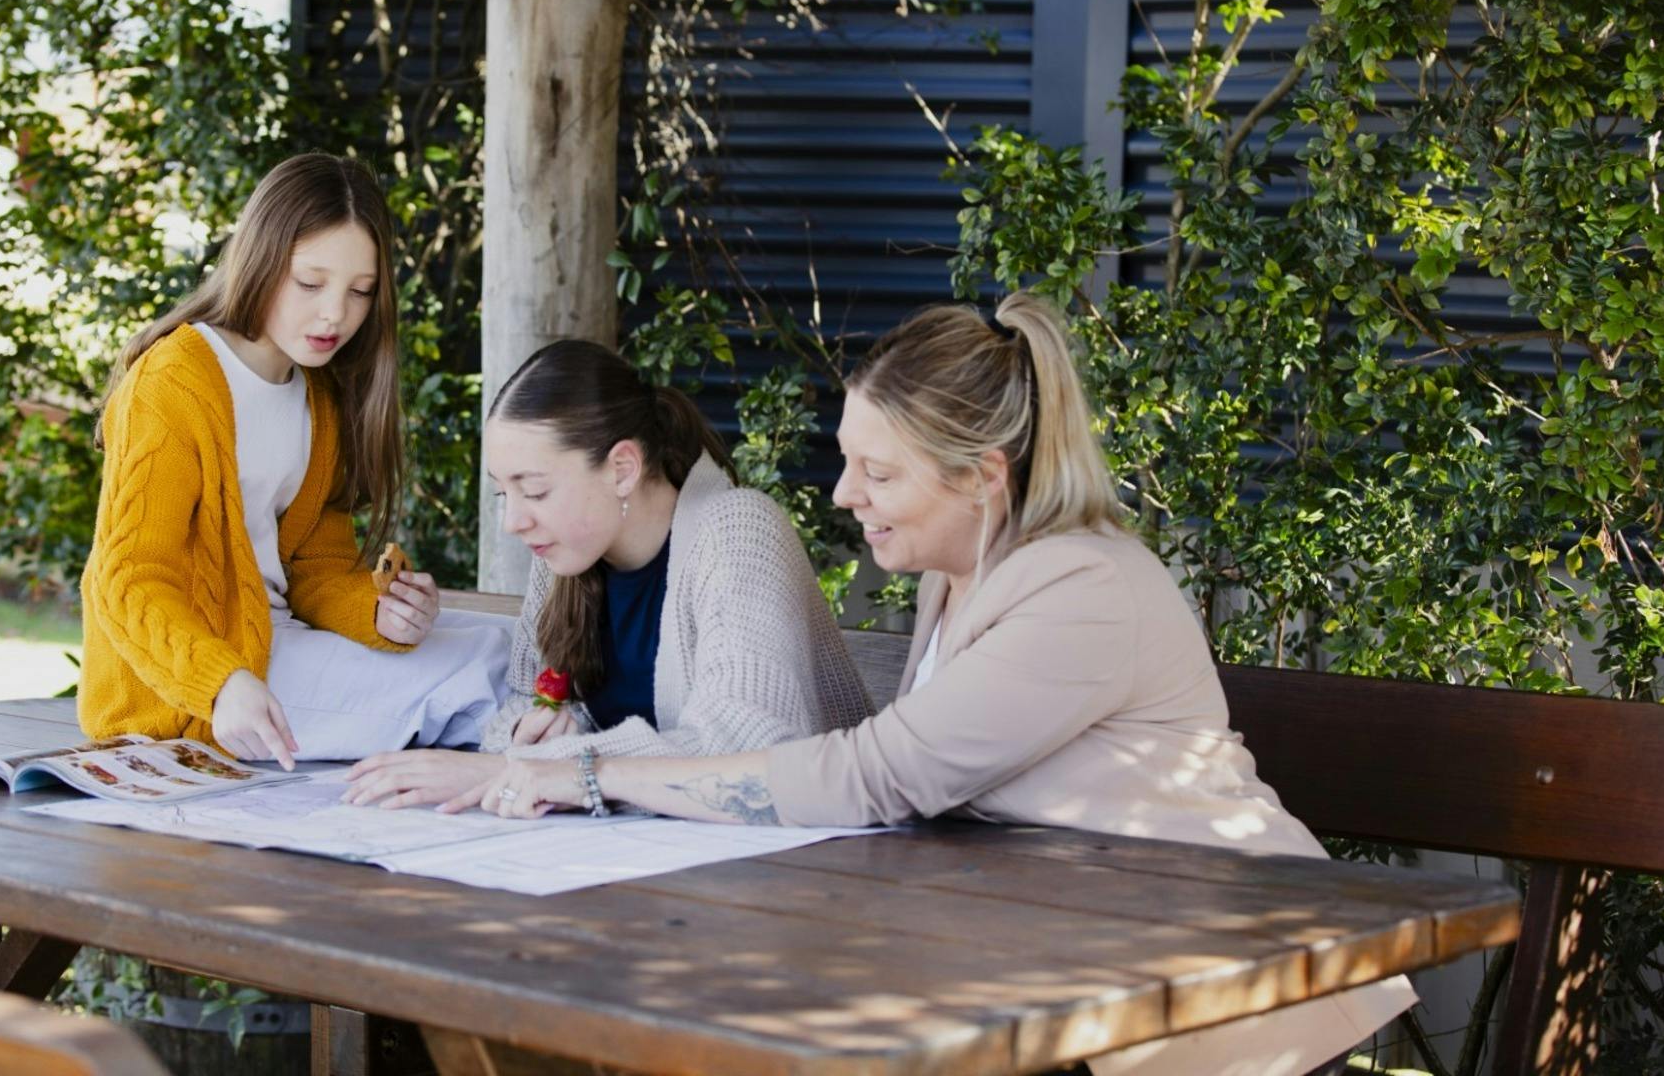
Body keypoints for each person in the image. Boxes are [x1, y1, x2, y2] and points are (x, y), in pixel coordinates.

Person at [452, 293, 1414, 1076]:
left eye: (877, 471)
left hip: (1223, 1008)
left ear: (981, 477)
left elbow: (883, 775)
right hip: (1077, 980)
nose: (842, 494)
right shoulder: (962, 578)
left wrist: (599, 775)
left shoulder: (1082, 586)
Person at [78, 154, 508, 766]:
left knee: (504, 644)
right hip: (207, 693)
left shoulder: (317, 394)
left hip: (282, 649)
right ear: (260, 260)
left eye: (360, 292)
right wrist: (221, 683)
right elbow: (129, 579)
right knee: (484, 672)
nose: (336, 313)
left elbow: (315, 565)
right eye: (311, 284)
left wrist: (380, 614)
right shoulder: (173, 384)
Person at [340, 339, 873, 807]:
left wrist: (533, 768)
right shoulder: (565, 556)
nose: (513, 521)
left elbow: (747, 748)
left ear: (622, 468)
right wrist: (541, 737)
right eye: (505, 493)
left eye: (536, 490)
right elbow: (520, 705)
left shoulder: (738, 532)